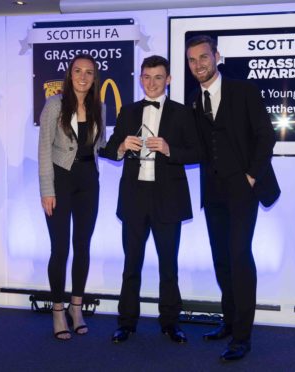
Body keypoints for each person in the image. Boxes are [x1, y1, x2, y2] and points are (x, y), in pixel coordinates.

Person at [186, 35, 280, 361]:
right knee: (222, 260)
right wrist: (169, 150)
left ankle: (243, 336)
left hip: (243, 190)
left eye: (203, 57)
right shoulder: (193, 101)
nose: (198, 64)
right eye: (192, 60)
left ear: (216, 56)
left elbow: (265, 135)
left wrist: (251, 175)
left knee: (240, 257)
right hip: (213, 194)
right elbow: (199, 148)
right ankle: (228, 322)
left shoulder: (244, 91)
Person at [100, 55, 200, 344]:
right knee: (131, 263)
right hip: (134, 197)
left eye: (158, 77)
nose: (152, 82)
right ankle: (126, 323)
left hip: (168, 198)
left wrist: (170, 149)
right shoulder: (128, 111)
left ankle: (171, 323)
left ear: (168, 80)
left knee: (169, 265)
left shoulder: (183, 113)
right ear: (140, 78)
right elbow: (107, 149)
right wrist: (120, 147)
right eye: (146, 76)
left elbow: (197, 152)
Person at [38, 54, 106, 340]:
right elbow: (43, 149)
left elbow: (99, 144)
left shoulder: (99, 107)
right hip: (61, 180)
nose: (82, 77)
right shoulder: (54, 105)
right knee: (60, 248)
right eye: (77, 71)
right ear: (69, 74)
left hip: (89, 181)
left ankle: (76, 307)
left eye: (88, 72)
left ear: (93, 78)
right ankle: (57, 310)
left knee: (82, 246)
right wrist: (47, 190)